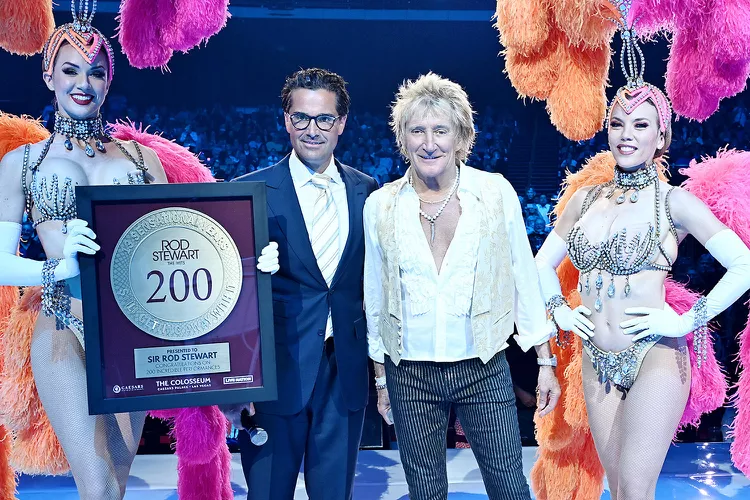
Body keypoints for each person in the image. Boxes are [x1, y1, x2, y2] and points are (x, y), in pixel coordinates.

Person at [533, 33, 750, 500]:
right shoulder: (583, 200)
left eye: (641, 124)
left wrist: (686, 318)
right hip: (596, 358)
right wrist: (559, 310)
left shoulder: (675, 202)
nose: (627, 134)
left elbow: (744, 266)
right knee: (621, 491)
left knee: (634, 488)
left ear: (661, 135)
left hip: (657, 354)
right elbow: (540, 265)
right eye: (618, 123)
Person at [364, 73, 561, 500]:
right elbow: (374, 298)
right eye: (417, 130)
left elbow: (523, 282)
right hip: (409, 373)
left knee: (509, 487)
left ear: (460, 137)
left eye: (440, 130)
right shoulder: (379, 205)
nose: (428, 142)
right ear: (403, 138)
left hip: (482, 367)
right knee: (426, 491)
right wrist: (381, 381)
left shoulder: (493, 192)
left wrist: (545, 362)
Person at [230, 68, 379, 500]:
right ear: (285, 119)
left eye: (324, 119)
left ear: (342, 123)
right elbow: (228, 298)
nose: (312, 130)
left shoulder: (367, 191)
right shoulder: (249, 191)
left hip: (344, 373)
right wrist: (239, 381)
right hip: (273, 377)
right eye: (301, 118)